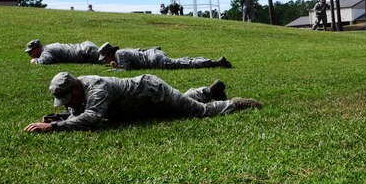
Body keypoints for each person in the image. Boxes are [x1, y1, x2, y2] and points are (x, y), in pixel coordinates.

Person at [23, 72, 261, 132]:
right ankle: (206, 89)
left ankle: (238, 103)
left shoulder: (97, 88)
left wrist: (54, 127)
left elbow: (93, 117)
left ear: (75, 86)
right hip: (147, 102)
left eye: (68, 98)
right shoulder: (80, 89)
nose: (68, 103)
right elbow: (79, 111)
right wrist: (61, 117)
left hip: (153, 93)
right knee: (180, 105)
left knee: (198, 112)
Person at [98, 43, 232, 71]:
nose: (106, 60)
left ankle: (215, 63)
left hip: (155, 60)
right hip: (155, 55)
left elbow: (127, 69)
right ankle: (207, 60)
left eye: (105, 58)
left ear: (110, 53)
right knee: (183, 60)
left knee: (184, 64)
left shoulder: (119, 54)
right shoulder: (121, 53)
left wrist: (114, 70)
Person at [25, 39, 101, 65]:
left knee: (106, 59)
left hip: (86, 52)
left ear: (37, 48)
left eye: (30, 52)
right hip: (86, 47)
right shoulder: (48, 47)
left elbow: (45, 60)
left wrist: (35, 61)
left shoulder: (47, 50)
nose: (30, 54)